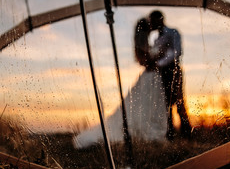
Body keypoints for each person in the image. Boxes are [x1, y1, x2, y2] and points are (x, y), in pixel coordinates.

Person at [73, 18, 167, 149]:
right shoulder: (143, 45)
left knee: (150, 105)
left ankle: (151, 134)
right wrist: (155, 59)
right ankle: (146, 134)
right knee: (145, 105)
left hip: (152, 76)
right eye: (150, 25)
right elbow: (144, 60)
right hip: (150, 75)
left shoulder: (147, 42)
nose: (152, 27)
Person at [148, 10, 192, 140]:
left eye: (154, 20)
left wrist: (159, 63)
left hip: (173, 70)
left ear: (160, 19)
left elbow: (177, 52)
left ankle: (187, 133)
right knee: (164, 104)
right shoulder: (156, 39)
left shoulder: (173, 32)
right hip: (160, 74)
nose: (152, 23)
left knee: (179, 100)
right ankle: (170, 134)